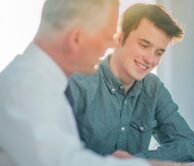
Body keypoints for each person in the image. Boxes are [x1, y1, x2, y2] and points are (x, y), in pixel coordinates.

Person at [0, 0, 170, 166]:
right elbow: (63, 162)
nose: (113, 44)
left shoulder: (43, 84)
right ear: (76, 39)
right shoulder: (24, 88)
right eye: (107, 37)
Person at [66, 3, 194, 162]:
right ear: (119, 38)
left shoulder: (154, 89)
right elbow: (58, 153)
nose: (150, 60)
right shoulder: (80, 81)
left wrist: (136, 161)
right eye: (144, 45)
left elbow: (190, 147)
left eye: (159, 53)